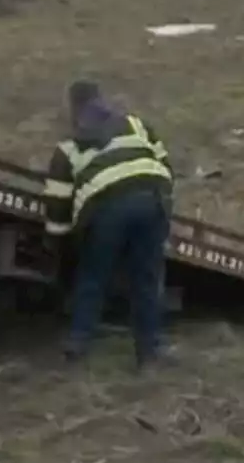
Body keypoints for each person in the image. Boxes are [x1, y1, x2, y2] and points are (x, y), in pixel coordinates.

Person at [42, 80, 175, 371]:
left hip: (107, 209)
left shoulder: (67, 147)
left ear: (73, 109)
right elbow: (165, 163)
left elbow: (57, 205)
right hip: (151, 198)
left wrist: (60, 249)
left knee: (92, 277)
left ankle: (77, 345)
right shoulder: (136, 125)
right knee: (146, 280)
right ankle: (149, 354)